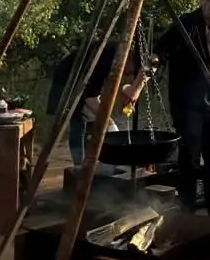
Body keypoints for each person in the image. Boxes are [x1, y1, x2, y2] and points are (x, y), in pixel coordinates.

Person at [150, 0, 210, 217]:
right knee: (189, 161)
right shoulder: (184, 24)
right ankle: (187, 215)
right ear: (204, 0)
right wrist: (146, 71)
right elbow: (159, 55)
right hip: (187, 104)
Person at [47, 40, 152, 169]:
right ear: (129, 58)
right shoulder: (108, 57)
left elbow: (99, 91)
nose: (127, 75)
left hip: (82, 80)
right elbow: (90, 97)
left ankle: (90, 161)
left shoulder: (118, 54)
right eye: (130, 72)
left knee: (89, 122)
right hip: (69, 78)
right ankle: (79, 166)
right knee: (78, 122)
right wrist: (109, 122)